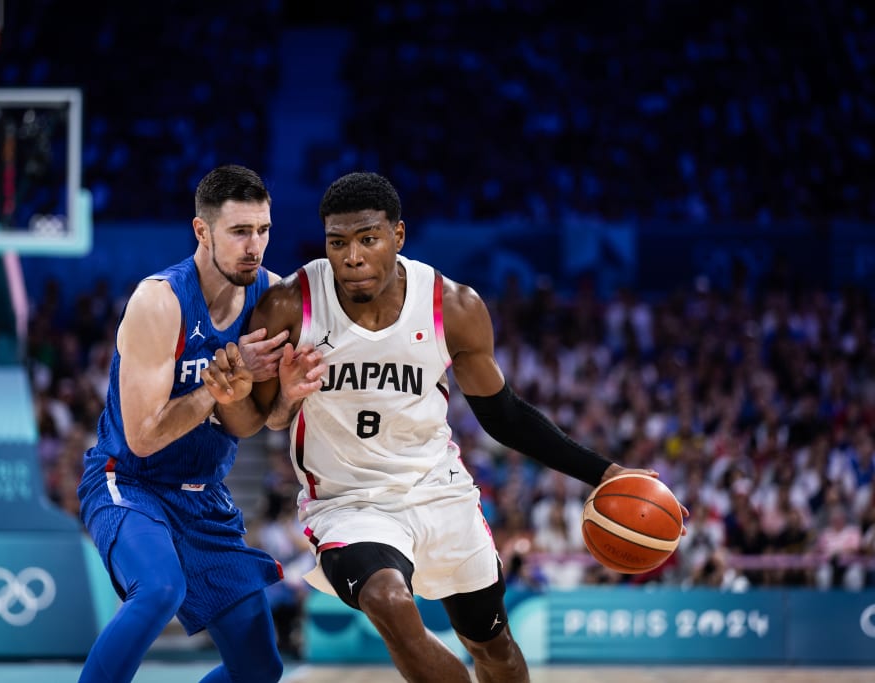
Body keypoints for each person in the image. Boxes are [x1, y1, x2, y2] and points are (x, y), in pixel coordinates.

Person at [240, 172, 687, 682]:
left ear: (398, 236)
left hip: (439, 494)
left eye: (368, 239)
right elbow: (261, 417)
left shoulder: (452, 306)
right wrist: (284, 398)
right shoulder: (288, 307)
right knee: (388, 601)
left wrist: (605, 471)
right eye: (337, 242)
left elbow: (504, 416)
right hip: (348, 503)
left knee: (492, 646)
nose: (353, 256)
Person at [76, 164, 307, 683]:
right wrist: (216, 386)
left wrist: (286, 399)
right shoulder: (159, 301)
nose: (255, 245)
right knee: (159, 589)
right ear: (202, 231)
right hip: (129, 481)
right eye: (240, 231)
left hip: (202, 493)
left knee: (259, 670)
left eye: (264, 230)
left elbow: (260, 424)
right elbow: (141, 436)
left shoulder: (269, 296)